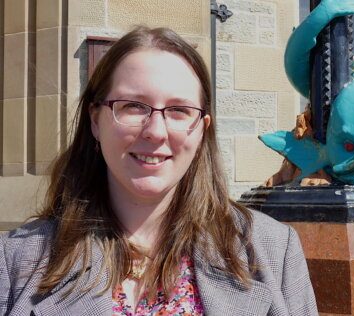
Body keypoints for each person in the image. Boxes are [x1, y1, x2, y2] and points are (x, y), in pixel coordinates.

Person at [0, 27, 318, 316]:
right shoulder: (15, 261)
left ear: (201, 131)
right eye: (133, 106)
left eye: (179, 111)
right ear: (95, 120)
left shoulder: (273, 250)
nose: (156, 131)